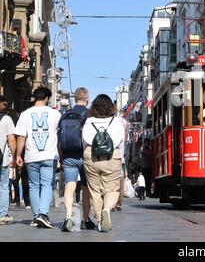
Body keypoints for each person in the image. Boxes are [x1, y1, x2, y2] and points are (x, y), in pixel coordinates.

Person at [15, 87, 61, 228]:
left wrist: (18, 155)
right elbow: (60, 135)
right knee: (47, 184)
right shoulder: (55, 114)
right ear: (47, 98)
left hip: (31, 155)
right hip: (49, 154)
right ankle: (43, 214)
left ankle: (36, 217)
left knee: (34, 186)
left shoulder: (25, 114)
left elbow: (21, 137)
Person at [82, 94, 125, 232]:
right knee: (112, 189)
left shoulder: (88, 122)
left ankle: (99, 220)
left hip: (91, 156)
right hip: (112, 156)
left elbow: (84, 143)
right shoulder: (116, 122)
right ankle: (107, 209)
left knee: (95, 191)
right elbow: (121, 144)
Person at [58, 87, 95, 232]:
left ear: (74, 99)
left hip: (68, 155)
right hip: (85, 155)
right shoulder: (90, 114)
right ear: (87, 99)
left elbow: (59, 138)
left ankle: (68, 216)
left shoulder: (65, 114)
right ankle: (85, 219)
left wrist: (61, 157)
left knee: (69, 186)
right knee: (86, 188)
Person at [0, 95, 16, 225]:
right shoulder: (6, 119)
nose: (6, 107)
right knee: (4, 187)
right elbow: (11, 140)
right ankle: (2, 214)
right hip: (2, 159)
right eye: (4, 104)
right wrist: (15, 156)